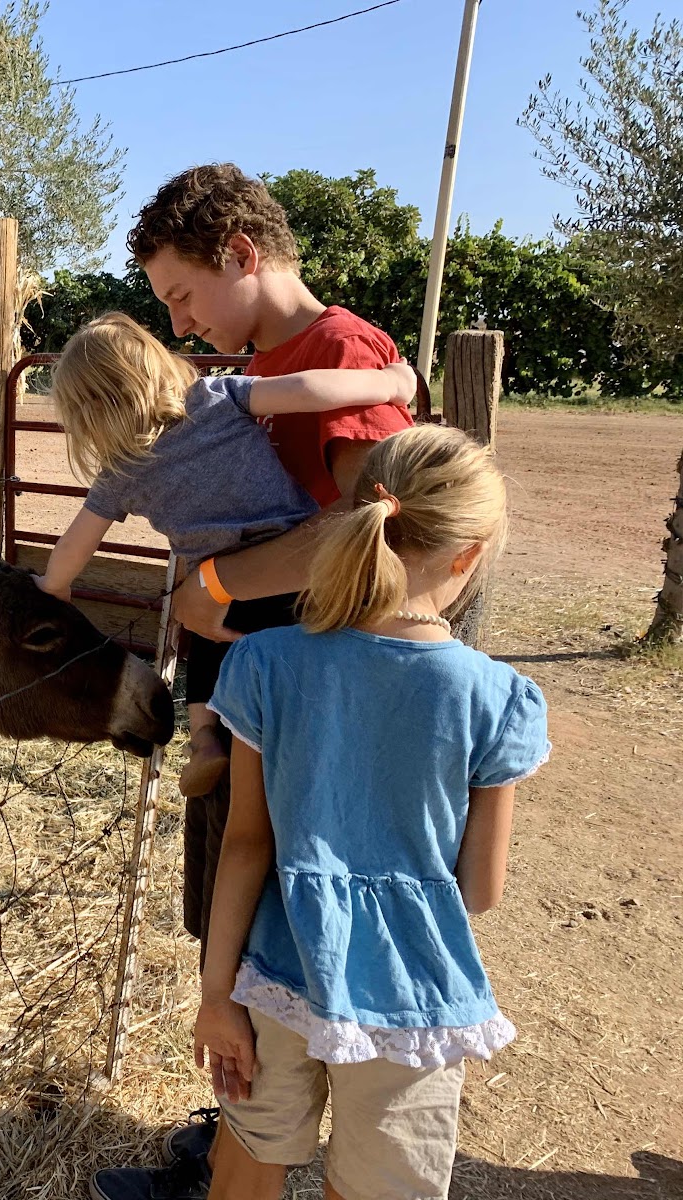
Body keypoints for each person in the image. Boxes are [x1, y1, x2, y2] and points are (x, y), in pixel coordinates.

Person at [92, 164, 415, 1200]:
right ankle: (235, 1133)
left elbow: (371, 531)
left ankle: (248, 1154)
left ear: (240, 254)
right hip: (254, 686)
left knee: (268, 911)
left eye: (183, 294)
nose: (179, 321)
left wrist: (217, 583)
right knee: (229, 904)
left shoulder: (340, 353)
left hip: (310, 703)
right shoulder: (267, 366)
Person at [190, 423, 549, 1199]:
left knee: (245, 1169)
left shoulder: (265, 662)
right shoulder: (498, 698)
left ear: (357, 517)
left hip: (276, 976)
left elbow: (245, 845)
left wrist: (216, 999)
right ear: (469, 555)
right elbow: (480, 891)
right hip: (412, 997)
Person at [34, 313, 416, 796]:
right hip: (293, 568)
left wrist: (54, 586)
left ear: (84, 416)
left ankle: (204, 739)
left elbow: (76, 543)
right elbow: (309, 389)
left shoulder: (119, 472)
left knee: (207, 646)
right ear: (155, 364)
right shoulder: (217, 396)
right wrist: (389, 383)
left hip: (221, 587)